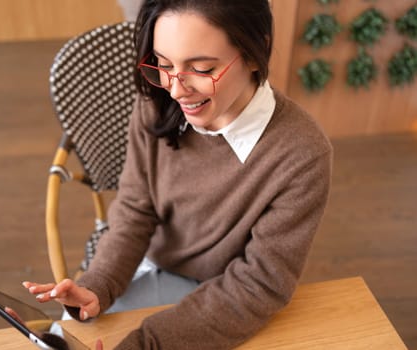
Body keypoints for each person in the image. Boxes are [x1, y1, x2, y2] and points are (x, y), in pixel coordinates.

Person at [23, 0, 333, 348]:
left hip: (228, 291)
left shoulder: (301, 153)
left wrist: (146, 344)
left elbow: (258, 284)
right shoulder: (156, 101)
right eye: (163, 64)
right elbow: (136, 208)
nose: (174, 88)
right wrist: (100, 284)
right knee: (64, 334)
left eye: (200, 68)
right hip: (148, 264)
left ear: (254, 51)